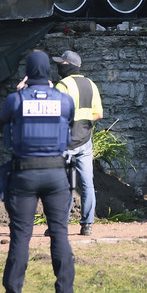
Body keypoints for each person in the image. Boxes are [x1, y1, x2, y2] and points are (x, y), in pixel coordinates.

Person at [0, 50, 81, 293]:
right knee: (59, 233)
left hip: (24, 173)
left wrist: (21, 90)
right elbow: (70, 127)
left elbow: (2, 122)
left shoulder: (16, 99)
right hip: (56, 174)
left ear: (28, 71)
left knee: (21, 236)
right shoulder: (64, 100)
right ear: (48, 72)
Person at [53, 50, 104, 236]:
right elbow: (99, 114)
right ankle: (87, 225)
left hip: (66, 142)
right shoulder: (91, 84)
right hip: (85, 140)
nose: (58, 66)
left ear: (69, 66)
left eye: (61, 63)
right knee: (87, 184)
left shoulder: (63, 85)